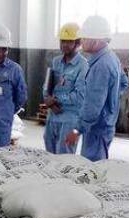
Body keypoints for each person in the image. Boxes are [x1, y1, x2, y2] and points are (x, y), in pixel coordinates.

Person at [65, 15, 129, 161]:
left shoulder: (100, 66)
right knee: (98, 165)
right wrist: (110, 101)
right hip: (105, 125)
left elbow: (93, 106)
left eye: (84, 38)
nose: (81, 41)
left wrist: (76, 130)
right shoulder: (111, 57)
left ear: (96, 40)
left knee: (92, 168)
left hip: (97, 129)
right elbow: (124, 83)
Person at [43, 22, 88, 155]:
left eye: (69, 41)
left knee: (65, 156)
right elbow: (47, 85)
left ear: (78, 43)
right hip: (53, 116)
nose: (65, 45)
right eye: (63, 41)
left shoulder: (83, 65)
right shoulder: (56, 61)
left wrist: (56, 99)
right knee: (50, 155)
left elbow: (79, 96)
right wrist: (48, 101)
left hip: (70, 120)